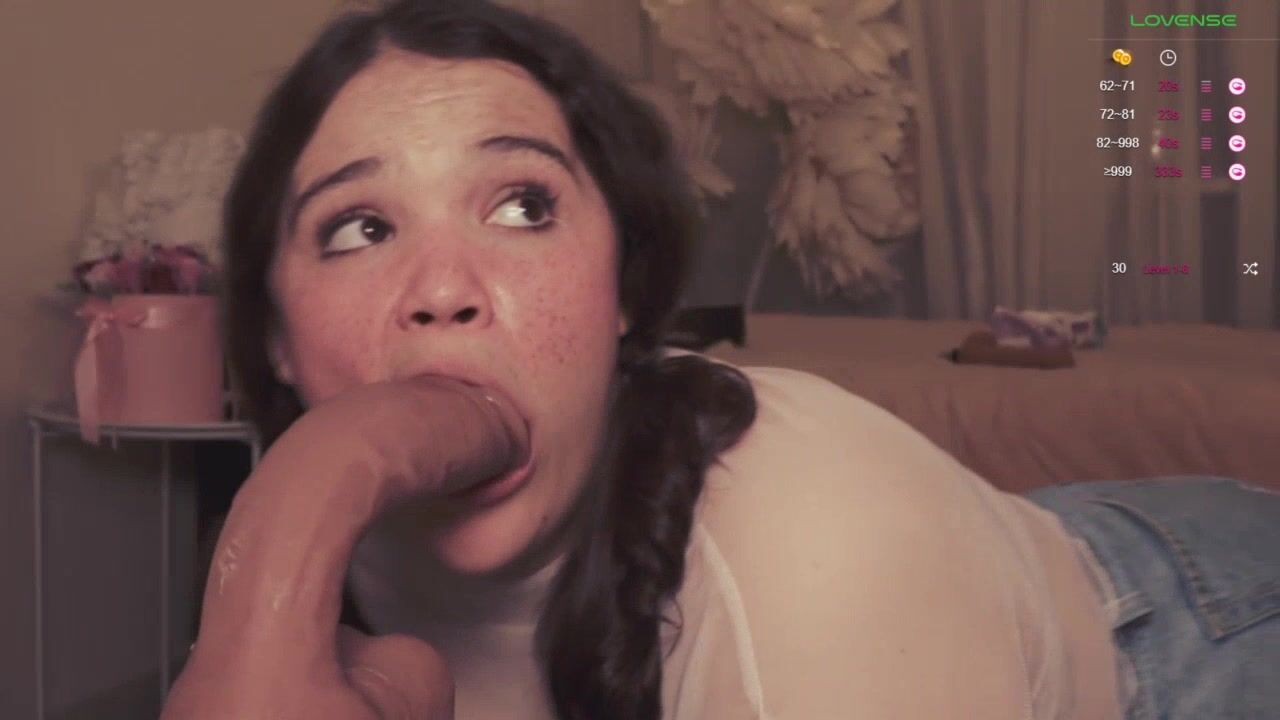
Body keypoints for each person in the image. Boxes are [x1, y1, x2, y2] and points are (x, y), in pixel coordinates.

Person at [162, 1, 1280, 718]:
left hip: (1202, 622)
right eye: (358, 227)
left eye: (521, 205)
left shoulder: (816, 541)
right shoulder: (273, 584)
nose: (443, 289)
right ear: (275, 336)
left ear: (621, 289)